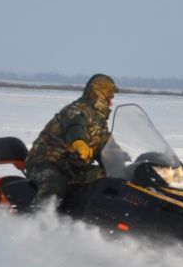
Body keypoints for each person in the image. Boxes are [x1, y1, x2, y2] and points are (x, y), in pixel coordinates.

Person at [24, 73, 117, 207]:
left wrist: (116, 156)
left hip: (72, 165)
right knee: (54, 186)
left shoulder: (99, 120)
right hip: (45, 161)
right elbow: (75, 126)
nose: (112, 101)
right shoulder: (77, 110)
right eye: (110, 96)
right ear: (100, 94)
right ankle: (37, 219)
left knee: (105, 179)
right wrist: (78, 142)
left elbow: (105, 142)